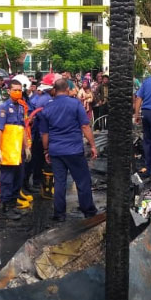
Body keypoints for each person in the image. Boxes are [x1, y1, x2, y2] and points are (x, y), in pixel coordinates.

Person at [40, 78, 98, 222]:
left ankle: (59, 214)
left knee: (59, 182)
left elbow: (45, 134)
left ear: (54, 90)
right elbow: (85, 126)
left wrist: (46, 150)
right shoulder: (75, 104)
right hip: (74, 150)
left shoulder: (48, 107)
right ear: (67, 89)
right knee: (82, 181)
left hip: (56, 151)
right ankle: (88, 211)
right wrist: (92, 145)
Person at [0, 76, 31, 220]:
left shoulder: (21, 107)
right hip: (8, 151)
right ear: (9, 91)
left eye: (20, 90)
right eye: (15, 90)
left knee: (18, 178)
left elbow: (22, 128)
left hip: (18, 150)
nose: (18, 92)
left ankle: (13, 204)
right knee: (7, 178)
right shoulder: (3, 108)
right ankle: (6, 206)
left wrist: (26, 147)